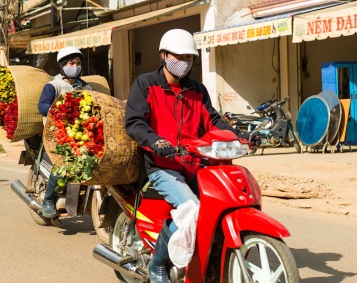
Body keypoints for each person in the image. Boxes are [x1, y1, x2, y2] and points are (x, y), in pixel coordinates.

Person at [124, 29, 261, 283]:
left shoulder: (197, 90)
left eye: (189, 58)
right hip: (163, 165)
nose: (185, 63)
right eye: (179, 57)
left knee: (224, 200)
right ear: (164, 56)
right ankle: (158, 265)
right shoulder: (146, 84)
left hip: (197, 163)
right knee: (192, 208)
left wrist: (242, 137)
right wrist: (156, 142)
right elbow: (134, 123)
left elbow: (214, 121)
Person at [38, 46, 92, 218]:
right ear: (62, 65)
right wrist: (60, 110)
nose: (75, 66)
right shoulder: (53, 86)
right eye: (71, 63)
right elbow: (42, 106)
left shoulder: (86, 87)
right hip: (57, 134)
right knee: (61, 163)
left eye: (78, 63)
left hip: (80, 134)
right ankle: (48, 199)